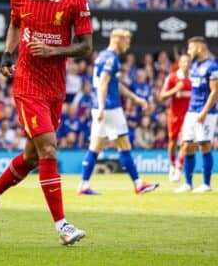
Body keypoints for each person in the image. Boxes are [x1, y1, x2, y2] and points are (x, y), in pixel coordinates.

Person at [0, 0, 91, 246]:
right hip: (27, 85)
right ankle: (62, 225)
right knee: (49, 150)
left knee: (31, 156)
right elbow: (15, 25)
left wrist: (54, 50)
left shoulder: (74, 2)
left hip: (55, 88)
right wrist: (6, 56)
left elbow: (85, 46)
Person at [77, 29, 159, 196]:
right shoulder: (111, 58)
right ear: (118, 40)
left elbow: (114, 85)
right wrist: (101, 107)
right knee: (124, 145)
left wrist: (135, 98)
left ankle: (83, 185)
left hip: (100, 108)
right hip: (110, 108)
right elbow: (104, 84)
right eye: (126, 41)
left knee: (95, 147)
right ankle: (138, 184)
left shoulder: (101, 56)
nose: (127, 45)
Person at [174, 37, 217, 193]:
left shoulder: (212, 66)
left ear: (199, 48)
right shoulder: (194, 66)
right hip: (192, 110)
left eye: (190, 48)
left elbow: (215, 92)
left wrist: (204, 112)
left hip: (206, 112)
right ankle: (188, 183)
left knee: (204, 145)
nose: (188, 51)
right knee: (187, 145)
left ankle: (206, 184)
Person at [159, 54, 192, 182]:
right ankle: (172, 165)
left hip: (189, 116)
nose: (186, 64)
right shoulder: (172, 78)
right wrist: (175, 90)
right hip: (174, 116)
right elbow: (162, 96)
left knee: (185, 142)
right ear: (179, 64)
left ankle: (179, 168)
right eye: (184, 61)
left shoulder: (194, 78)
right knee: (172, 143)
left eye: (189, 61)